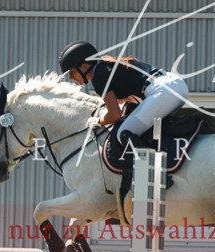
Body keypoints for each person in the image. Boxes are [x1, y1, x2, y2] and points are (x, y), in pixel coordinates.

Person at [58, 40, 188, 179]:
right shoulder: (107, 67)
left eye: (72, 72)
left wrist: (98, 121)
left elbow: (115, 115)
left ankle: (154, 176)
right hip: (177, 85)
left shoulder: (99, 76)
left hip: (162, 91)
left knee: (124, 133)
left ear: (84, 67)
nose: (71, 78)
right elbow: (131, 103)